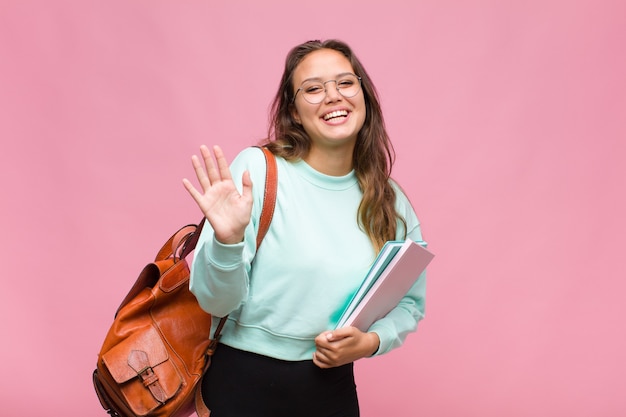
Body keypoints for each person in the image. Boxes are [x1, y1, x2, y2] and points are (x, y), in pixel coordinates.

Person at [182, 39, 427, 417]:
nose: (332, 96)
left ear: (362, 94)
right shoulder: (258, 171)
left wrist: (370, 342)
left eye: (345, 83)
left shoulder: (389, 200)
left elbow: (410, 301)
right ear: (294, 111)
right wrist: (228, 243)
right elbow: (214, 302)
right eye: (313, 88)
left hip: (331, 389)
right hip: (242, 383)